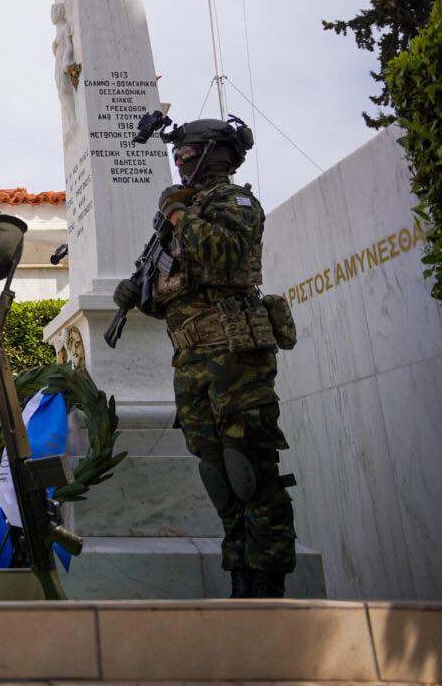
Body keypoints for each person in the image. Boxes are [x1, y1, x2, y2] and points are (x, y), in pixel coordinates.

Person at [113, 116, 296, 598]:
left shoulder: (232, 202)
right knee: (217, 475)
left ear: (211, 153)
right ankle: (241, 575)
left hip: (235, 356)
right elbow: (179, 292)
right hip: (192, 363)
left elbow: (224, 255)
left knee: (249, 470)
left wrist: (178, 216)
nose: (178, 160)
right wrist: (142, 292)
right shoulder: (186, 213)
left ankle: (269, 582)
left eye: (185, 151)